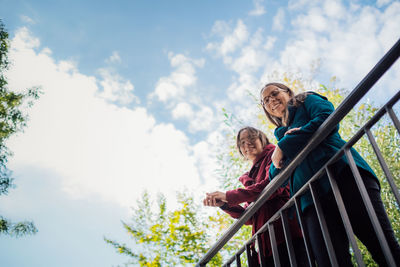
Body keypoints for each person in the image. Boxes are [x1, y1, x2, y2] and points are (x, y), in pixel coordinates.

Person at [260, 82, 400, 266]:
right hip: (310, 200)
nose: (271, 101)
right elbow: (275, 176)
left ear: (287, 92)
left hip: (344, 177)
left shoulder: (305, 100)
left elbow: (327, 118)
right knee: (331, 261)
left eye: (274, 93)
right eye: (266, 101)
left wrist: (288, 144)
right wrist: (283, 145)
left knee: (382, 246)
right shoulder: (280, 136)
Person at [204, 126, 306, 266]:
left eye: (251, 138)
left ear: (262, 139)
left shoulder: (274, 155)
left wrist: (229, 195)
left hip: (285, 234)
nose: (247, 144)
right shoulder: (252, 174)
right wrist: (224, 204)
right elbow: (249, 216)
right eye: (242, 142)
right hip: (265, 244)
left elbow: (269, 186)